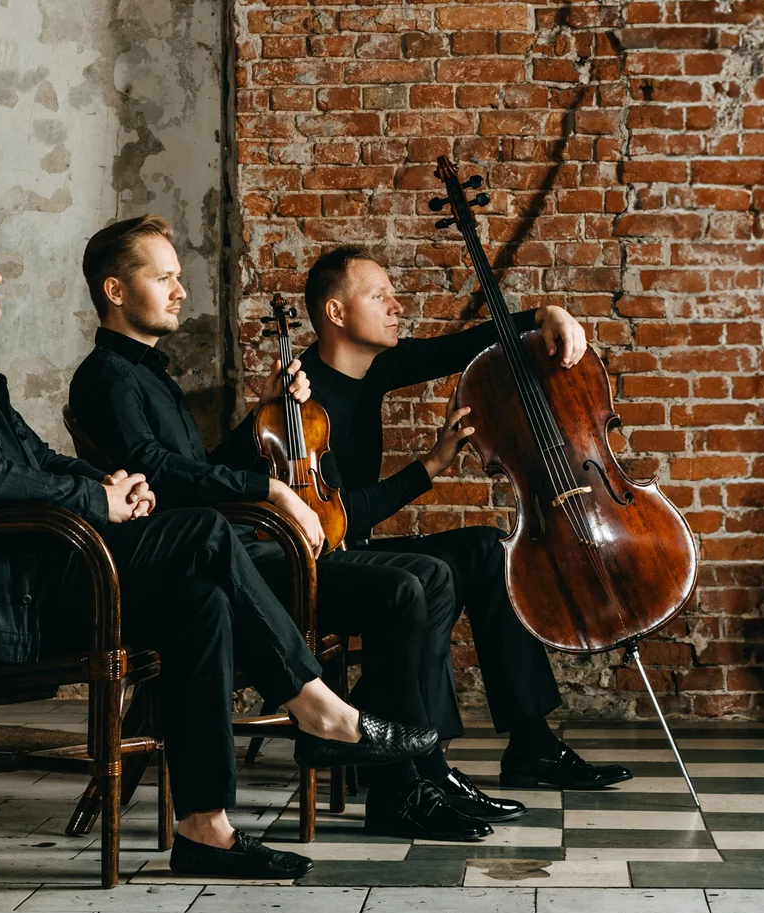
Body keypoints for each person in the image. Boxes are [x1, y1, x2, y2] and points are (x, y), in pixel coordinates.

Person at [0, 216, 437, 881]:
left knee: (200, 600)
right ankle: (318, 709)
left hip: (43, 578)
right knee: (204, 532)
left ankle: (204, 831)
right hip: (9, 601)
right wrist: (95, 501)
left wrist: (109, 484)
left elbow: (40, 461)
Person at [69, 214, 527, 842]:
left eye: (178, 277)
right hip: (212, 569)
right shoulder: (107, 376)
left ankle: (418, 774)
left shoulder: (148, 374)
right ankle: (394, 782)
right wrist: (272, 488)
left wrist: (263, 414)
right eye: (164, 278)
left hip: (232, 552)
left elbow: (198, 469)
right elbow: (158, 473)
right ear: (116, 291)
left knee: (430, 577)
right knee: (405, 587)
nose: (180, 291)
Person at [297, 245, 634, 791]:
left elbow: (460, 347)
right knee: (431, 577)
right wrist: (432, 465)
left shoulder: (372, 369)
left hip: (356, 554)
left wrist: (544, 315)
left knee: (488, 551)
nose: (397, 306)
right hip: (324, 566)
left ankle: (531, 745)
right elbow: (340, 516)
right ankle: (418, 756)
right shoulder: (303, 399)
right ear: (336, 313)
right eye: (379, 296)